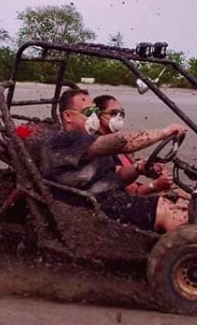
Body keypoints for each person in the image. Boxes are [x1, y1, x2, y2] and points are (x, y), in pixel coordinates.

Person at [40, 88, 189, 233]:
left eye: (96, 112)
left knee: (188, 201)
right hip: (90, 207)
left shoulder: (91, 141)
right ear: (67, 116)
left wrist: (139, 167)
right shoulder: (63, 140)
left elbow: (118, 175)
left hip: (113, 198)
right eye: (88, 112)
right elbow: (122, 142)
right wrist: (163, 132)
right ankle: (190, 253)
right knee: (169, 212)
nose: (94, 117)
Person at [93, 94, 173, 196]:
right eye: (113, 113)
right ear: (98, 115)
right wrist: (154, 185)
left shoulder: (119, 145)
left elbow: (134, 166)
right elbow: (118, 187)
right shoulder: (100, 147)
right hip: (125, 199)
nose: (118, 117)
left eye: (121, 113)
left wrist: (151, 167)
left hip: (136, 190)